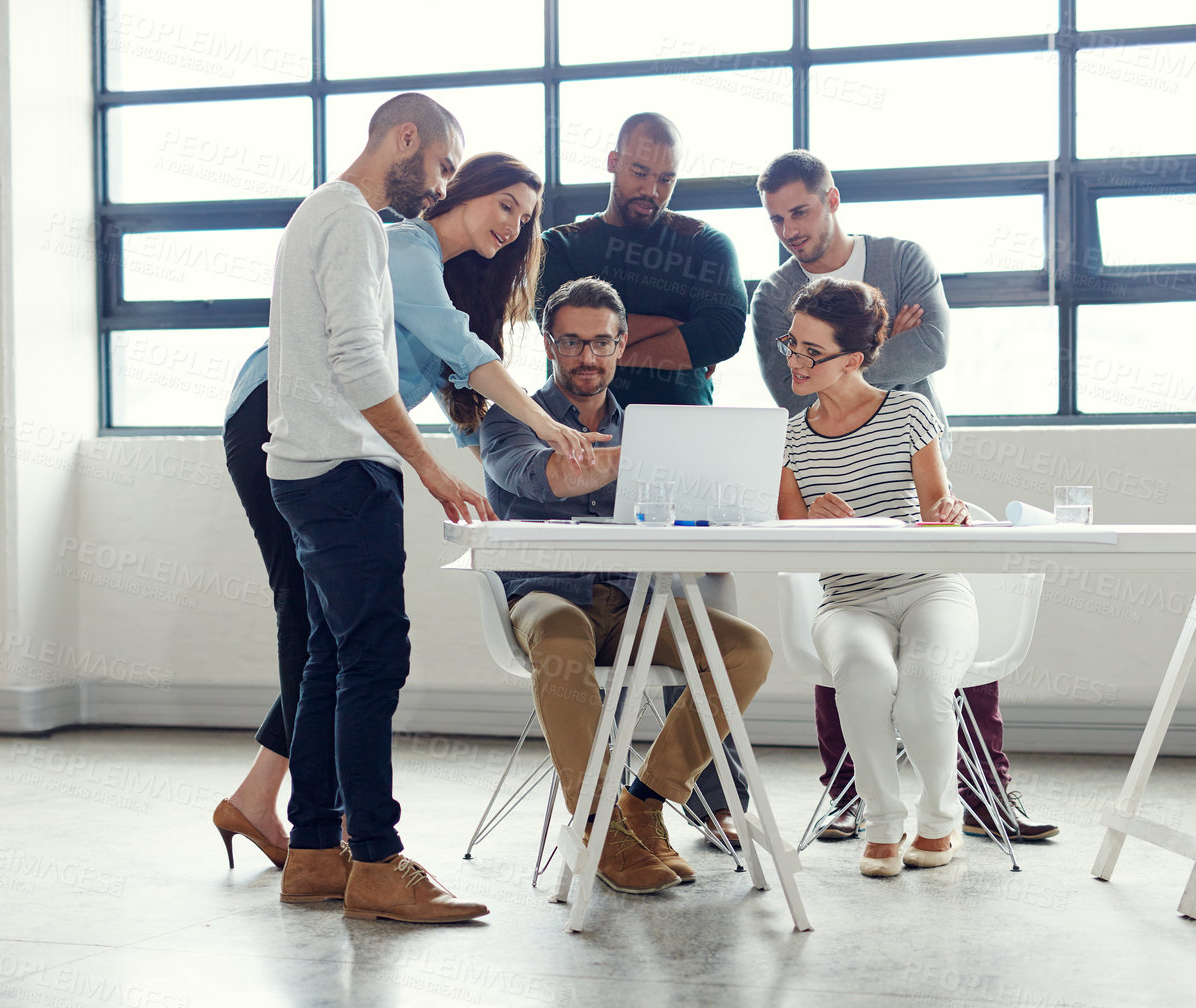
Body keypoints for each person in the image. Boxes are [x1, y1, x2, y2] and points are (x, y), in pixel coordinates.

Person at [213, 149, 605, 878]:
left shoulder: (447, 284)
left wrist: (549, 455)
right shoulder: (402, 245)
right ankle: (319, 838)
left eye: (525, 219)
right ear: (462, 191)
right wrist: (546, 426)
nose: (514, 227)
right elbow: (461, 353)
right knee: (320, 624)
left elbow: (468, 401)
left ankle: (269, 807)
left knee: (332, 629)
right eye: (506, 206)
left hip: (340, 431)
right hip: (280, 412)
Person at [752, 149, 1056, 843]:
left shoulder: (899, 256)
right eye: (774, 219)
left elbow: (937, 349)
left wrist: (857, 365)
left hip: (906, 443)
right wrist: (881, 342)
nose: (789, 229)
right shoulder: (774, 293)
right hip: (824, 454)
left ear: (832, 198)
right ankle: (848, 795)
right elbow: (784, 389)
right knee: (845, 616)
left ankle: (983, 792)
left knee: (936, 611)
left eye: (799, 210)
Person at [480, 276, 775, 894]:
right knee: (561, 639)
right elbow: (551, 479)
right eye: (572, 342)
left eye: (602, 343)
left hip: (634, 599)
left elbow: (695, 505)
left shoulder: (647, 425)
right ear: (548, 343)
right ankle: (597, 827)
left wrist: (715, 491)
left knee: (746, 650)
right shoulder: (509, 419)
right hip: (547, 595)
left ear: (621, 346)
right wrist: (659, 457)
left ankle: (644, 802)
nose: (587, 358)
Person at [776, 277, 976, 877]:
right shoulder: (789, 437)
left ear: (854, 360)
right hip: (848, 601)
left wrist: (950, 514)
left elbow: (938, 506)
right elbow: (785, 536)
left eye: (814, 352)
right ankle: (884, 824)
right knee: (862, 678)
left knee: (921, 688)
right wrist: (810, 519)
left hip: (931, 587)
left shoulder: (910, 411)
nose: (796, 361)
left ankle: (941, 822)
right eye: (793, 344)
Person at [535, 113, 748, 409]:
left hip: (685, 430)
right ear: (613, 162)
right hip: (579, 432)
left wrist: (599, 357)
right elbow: (561, 333)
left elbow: (722, 334)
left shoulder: (706, 243)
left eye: (666, 179)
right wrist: (675, 326)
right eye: (640, 172)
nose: (651, 190)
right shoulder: (557, 246)